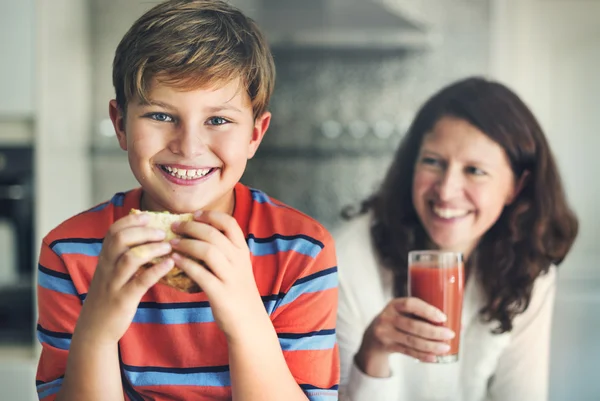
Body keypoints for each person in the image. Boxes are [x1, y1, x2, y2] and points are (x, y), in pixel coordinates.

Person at [34, 1, 339, 400]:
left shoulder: (301, 252)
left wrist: (246, 319)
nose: (188, 146)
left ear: (254, 135)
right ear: (120, 124)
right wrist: (98, 331)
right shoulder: (71, 252)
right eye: (160, 116)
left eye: (218, 120)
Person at [335, 77, 578, 401]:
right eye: (433, 162)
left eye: (475, 170)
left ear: (515, 187)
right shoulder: (344, 260)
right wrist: (373, 355)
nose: (446, 191)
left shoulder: (528, 264)